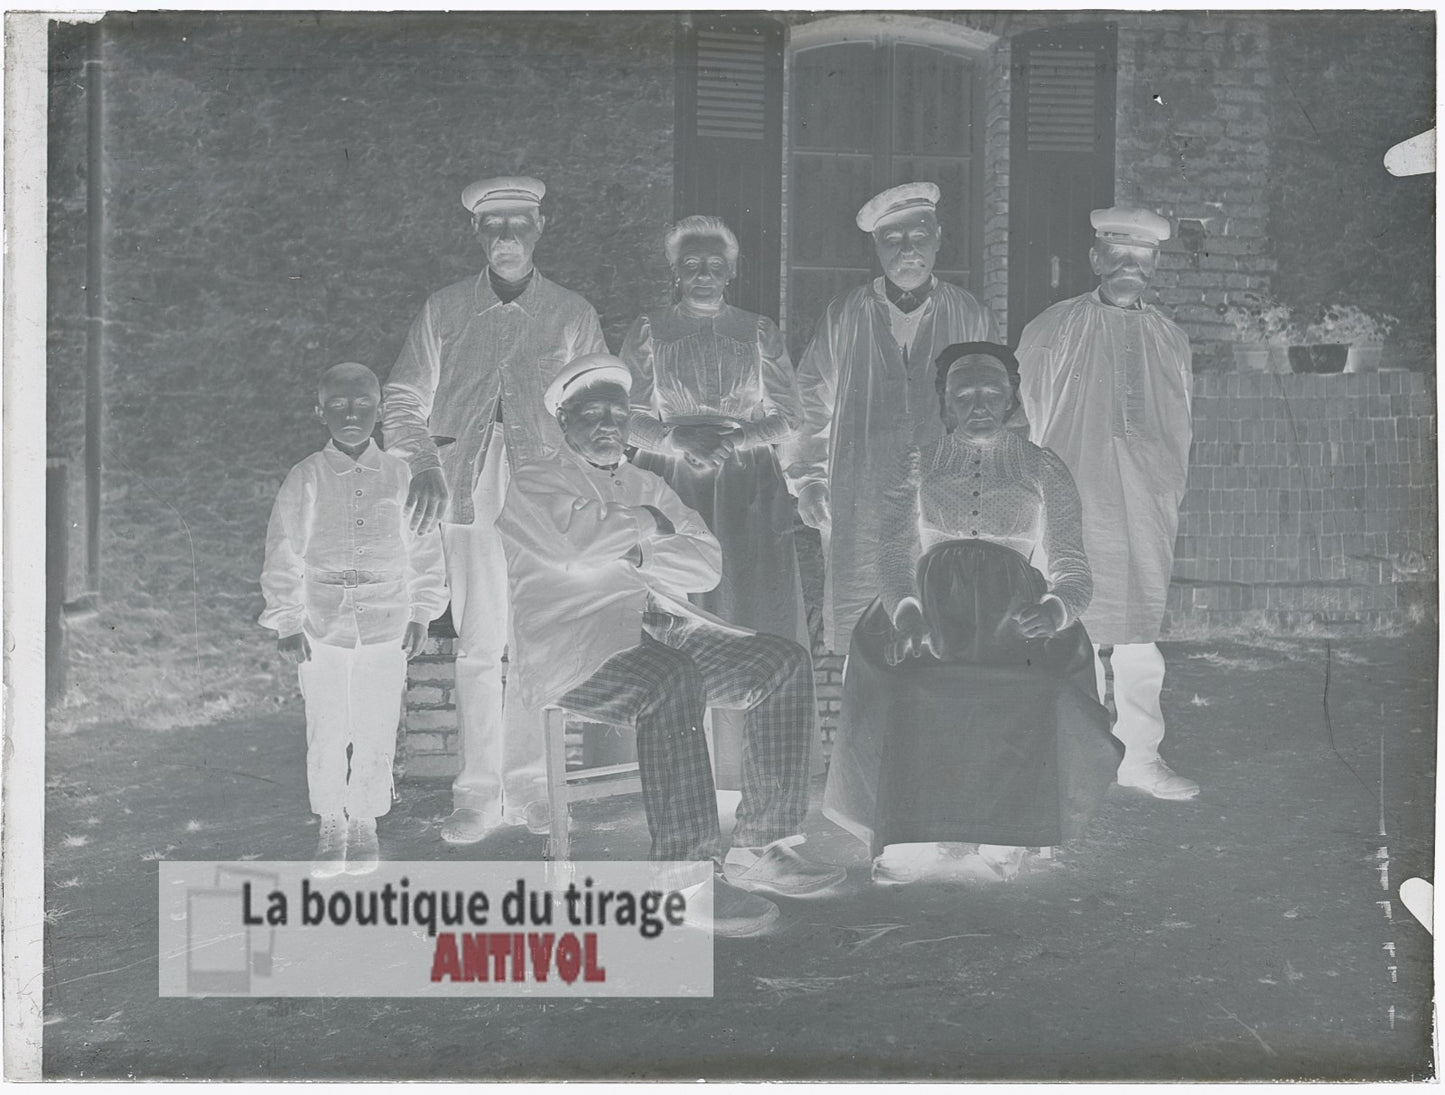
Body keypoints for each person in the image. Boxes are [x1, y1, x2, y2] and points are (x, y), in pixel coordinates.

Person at [496, 353, 846, 937]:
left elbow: (705, 563)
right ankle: (685, 881)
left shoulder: (647, 479)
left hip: (662, 630)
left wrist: (633, 543)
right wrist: (645, 523)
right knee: (670, 677)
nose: (607, 423)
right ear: (563, 419)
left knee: (781, 662)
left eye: (616, 411)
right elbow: (575, 546)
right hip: (577, 645)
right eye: (590, 412)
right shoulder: (536, 477)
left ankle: (762, 845)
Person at [823, 344, 1120, 883]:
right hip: (929, 606)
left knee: (1039, 684)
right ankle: (908, 830)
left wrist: (1054, 610)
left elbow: (1074, 566)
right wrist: (907, 613)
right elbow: (893, 553)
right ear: (946, 404)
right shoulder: (919, 463)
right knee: (907, 682)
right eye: (964, 394)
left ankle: (1008, 827)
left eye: (992, 393)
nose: (979, 405)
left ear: (1011, 400)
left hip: (1014, 611)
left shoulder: (1042, 465)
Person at [382, 175, 607, 844]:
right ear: (477, 233)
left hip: (543, 493)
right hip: (469, 488)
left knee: (534, 640)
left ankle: (532, 784)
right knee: (481, 643)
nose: (506, 237)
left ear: (540, 227)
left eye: (519, 223)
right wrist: (425, 464)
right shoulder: (446, 310)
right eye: (493, 225)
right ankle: (477, 791)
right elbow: (400, 400)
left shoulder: (571, 314)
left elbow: (602, 411)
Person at [619, 215, 814, 784]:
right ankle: (676, 772)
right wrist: (675, 437)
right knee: (678, 608)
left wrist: (735, 440)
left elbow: (789, 413)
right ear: (675, 272)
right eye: (690, 263)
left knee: (748, 601)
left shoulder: (758, 330)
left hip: (744, 479)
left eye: (714, 263)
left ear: (731, 270)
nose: (702, 273)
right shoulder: (649, 329)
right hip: (672, 474)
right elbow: (626, 414)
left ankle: (750, 774)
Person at [1015, 206, 1199, 801]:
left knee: (1140, 631)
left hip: (1145, 500)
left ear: (1155, 266)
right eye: (1117, 256)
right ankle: (1079, 755)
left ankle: (1141, 756)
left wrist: (1164, 484)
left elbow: (1181, 422)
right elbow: (1028, 413)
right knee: (1075, 623)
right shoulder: (1055, 326)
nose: (1129, 268)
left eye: (1141, 259)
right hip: (1074, 492)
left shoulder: (1170, 337)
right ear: (1095, 259)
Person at [785, 182, 1004, 653]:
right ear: (876, 247)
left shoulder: (968, 313)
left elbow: (1000, 403)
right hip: (862, 483)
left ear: (939, 237)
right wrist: (809, 479)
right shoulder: (845, 313)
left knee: (945, 616)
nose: (908, 250)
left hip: (945, 489)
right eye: (893, 240)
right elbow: (809, 397)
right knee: (865, 618)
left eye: (919, 235)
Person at [259, 363, 449, 877]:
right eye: (338, 405)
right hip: (322, 626)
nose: (351, 414)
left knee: (375, 723)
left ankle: (364, 820)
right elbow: (284, 549)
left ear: (380, 411)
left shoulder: (401, 475)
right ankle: (331, 821)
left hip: (386, 622)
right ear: (319, 411)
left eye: (362, 404)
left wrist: (421, 612)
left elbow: (424, 548)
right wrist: (287, 621)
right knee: (327, 726)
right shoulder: (306, 476)